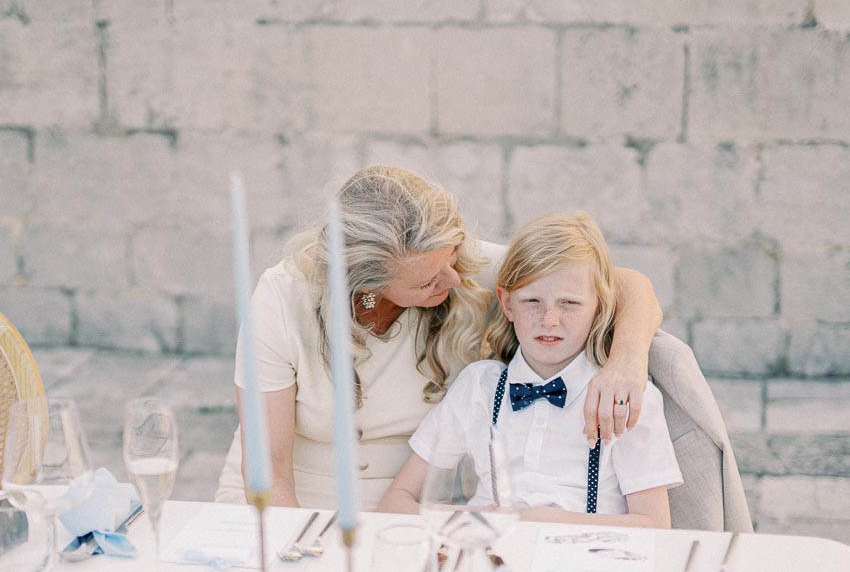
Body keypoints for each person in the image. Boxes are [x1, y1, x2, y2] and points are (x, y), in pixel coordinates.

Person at [214, 167, 665, 510]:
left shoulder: (452, 266)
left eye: (451, 257)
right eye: (429, 279)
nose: (453, 277)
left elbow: (619, 281)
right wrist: (303, 556)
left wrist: (626, 360)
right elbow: (268, 471)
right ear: (366, 283)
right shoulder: (281, 298)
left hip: (404, 514)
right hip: (282, 508)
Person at [378, 211, 682, 527]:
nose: (549, 319)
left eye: (570, 304)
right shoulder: (478, 387)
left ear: (599, 307)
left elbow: (655, 526)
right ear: (507, 304)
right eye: (532, 301)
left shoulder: (623, 397)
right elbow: (395, 501)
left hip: (586, 563)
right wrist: (471, 517)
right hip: (487, 556)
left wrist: (550, 521)